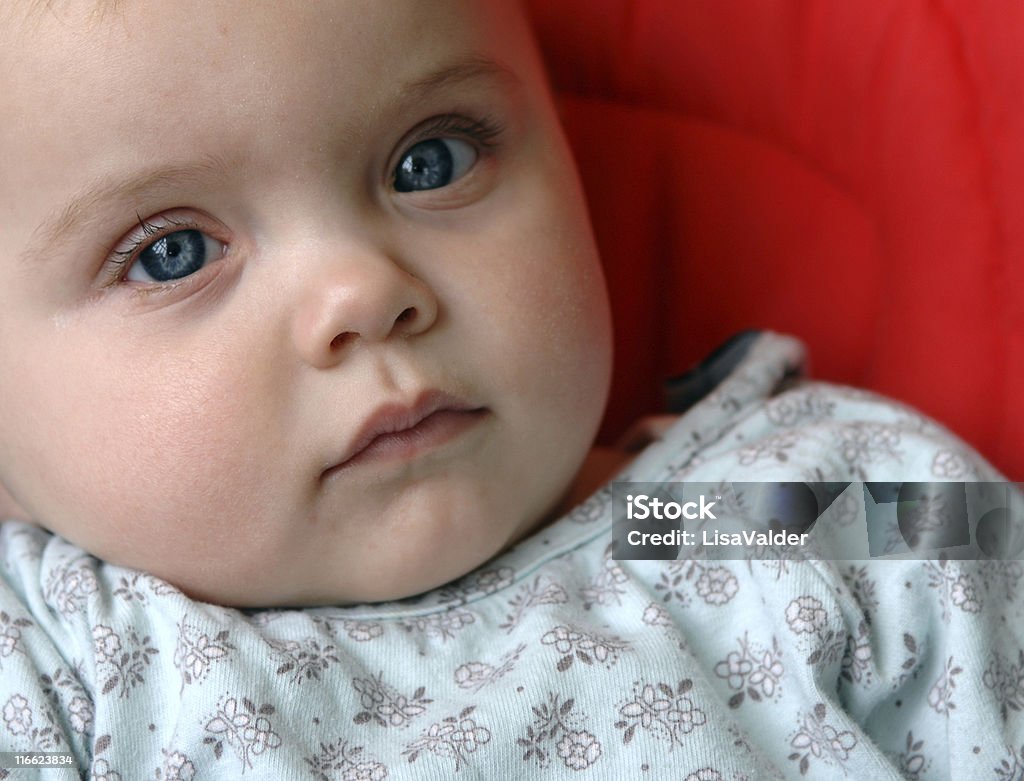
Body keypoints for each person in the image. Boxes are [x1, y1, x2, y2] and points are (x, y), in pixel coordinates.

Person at [0, 2, 1019, 778]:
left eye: (429, 159)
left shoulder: (761, 514)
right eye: (173, 254)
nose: (362, 290)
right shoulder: (68, 653)